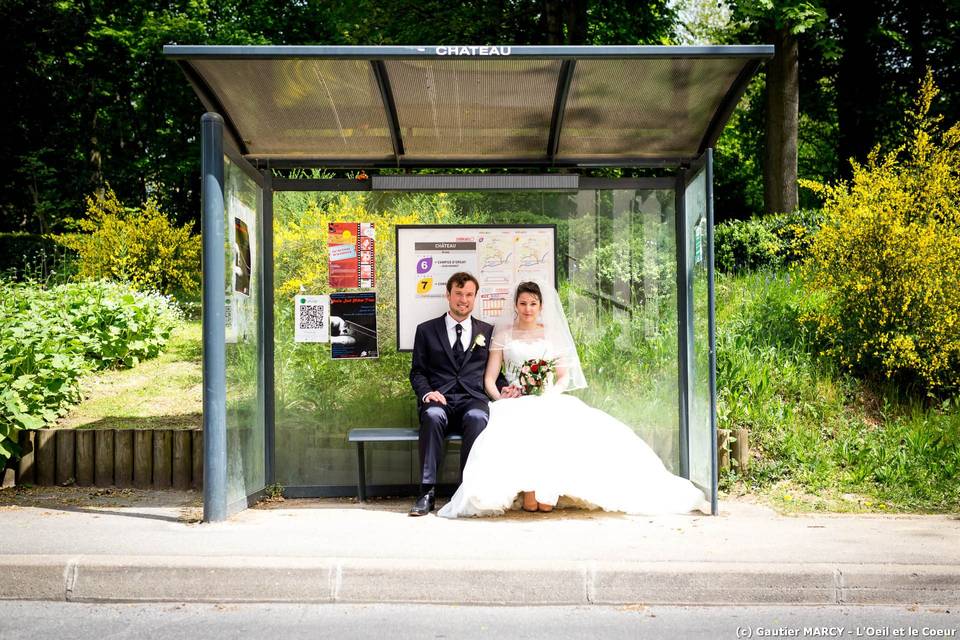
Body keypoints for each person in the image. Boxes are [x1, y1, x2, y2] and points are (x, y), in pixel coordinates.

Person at [437, 280, 711, 518]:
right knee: (517, 430)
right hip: (515, 400)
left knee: (556, 430)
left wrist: (548, 395)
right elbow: (489, 378)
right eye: (523, 303)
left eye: (533, 303)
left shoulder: (551, 334)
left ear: (541, 306)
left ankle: (549, 493)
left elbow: (563, 377)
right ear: (516, 305)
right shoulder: (503, 335)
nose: (528, 308)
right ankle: (529, 494)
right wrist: (502, 397)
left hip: (547, 397)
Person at [408, 272, 515, 516]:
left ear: (475, 297)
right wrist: (427, 393)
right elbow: (417, 372)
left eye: (468, 294)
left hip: (472, 399)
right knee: (433, 416)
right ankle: (426, 493)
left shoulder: (487, 332)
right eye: (458, 293)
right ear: (448, 295)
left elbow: (494, 374)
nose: (463, 299)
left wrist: (504, 388)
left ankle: (466, 490)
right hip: (439, 398)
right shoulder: (426, 330)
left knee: (478, 418)